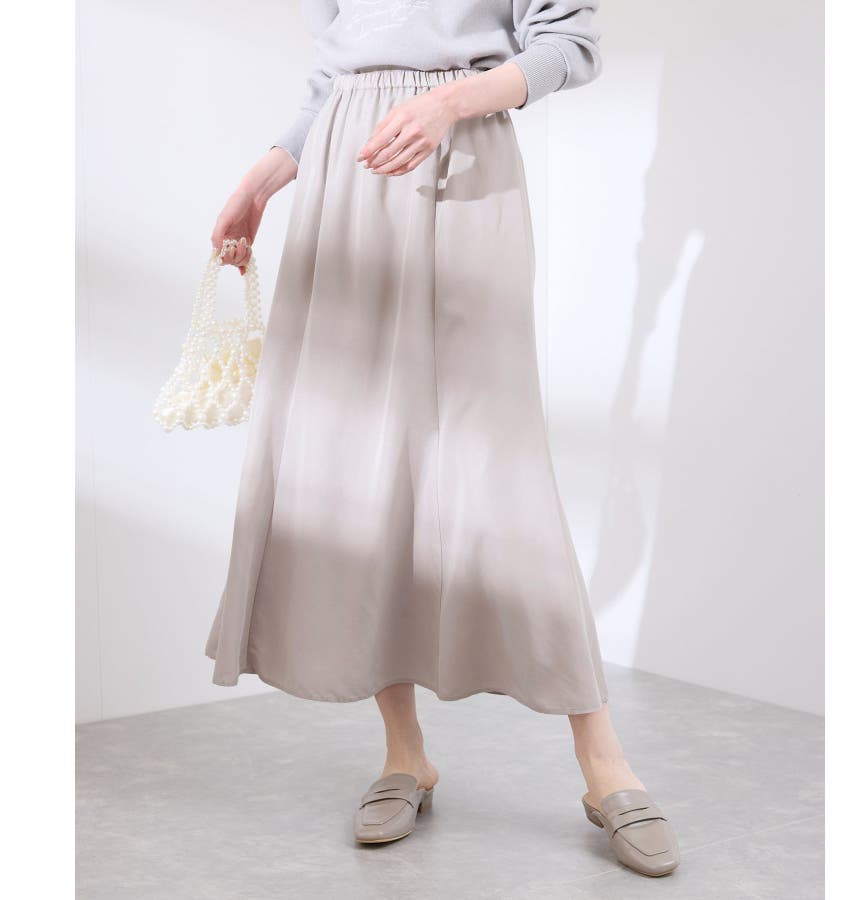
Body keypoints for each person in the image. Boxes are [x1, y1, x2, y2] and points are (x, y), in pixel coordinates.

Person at [205, 1, 679, 877]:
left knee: (499, 468)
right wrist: (265, 177)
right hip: (346, 182)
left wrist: (450, 103)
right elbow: (336, 75)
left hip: (463, 168)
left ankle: (603, 759)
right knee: (362, 466)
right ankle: (404, 754)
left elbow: (569, 46)